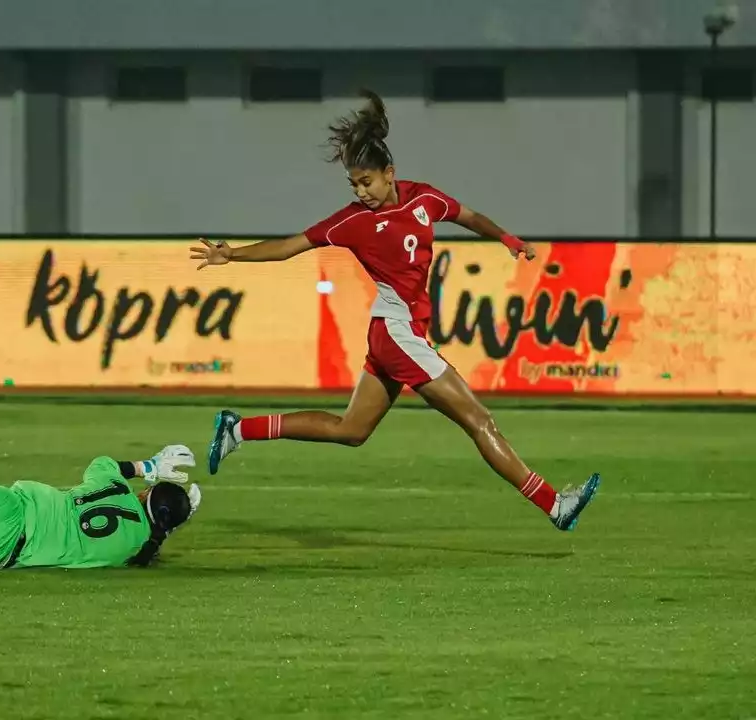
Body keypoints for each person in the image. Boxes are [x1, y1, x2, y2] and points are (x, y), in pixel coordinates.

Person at [190, 91, 599, 532]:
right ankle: (554, 504)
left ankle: (237, 430)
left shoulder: (424, 200)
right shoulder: (352, 221)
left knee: (352, 430)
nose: (360, 192)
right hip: (397, 331)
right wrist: (232, 255)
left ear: (390, 173)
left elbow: (469, 216)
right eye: (353, 184)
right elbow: (289, 247)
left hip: (396, 332)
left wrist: (506, 238)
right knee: (479, 421)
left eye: (366, 181)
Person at [0, 445, 202, 571]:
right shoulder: (135, 550)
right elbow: (152, 545)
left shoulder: (117, 487)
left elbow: (103, 462)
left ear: (144, 494)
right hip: (3, 549)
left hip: (12, 505)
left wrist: (145, 466)